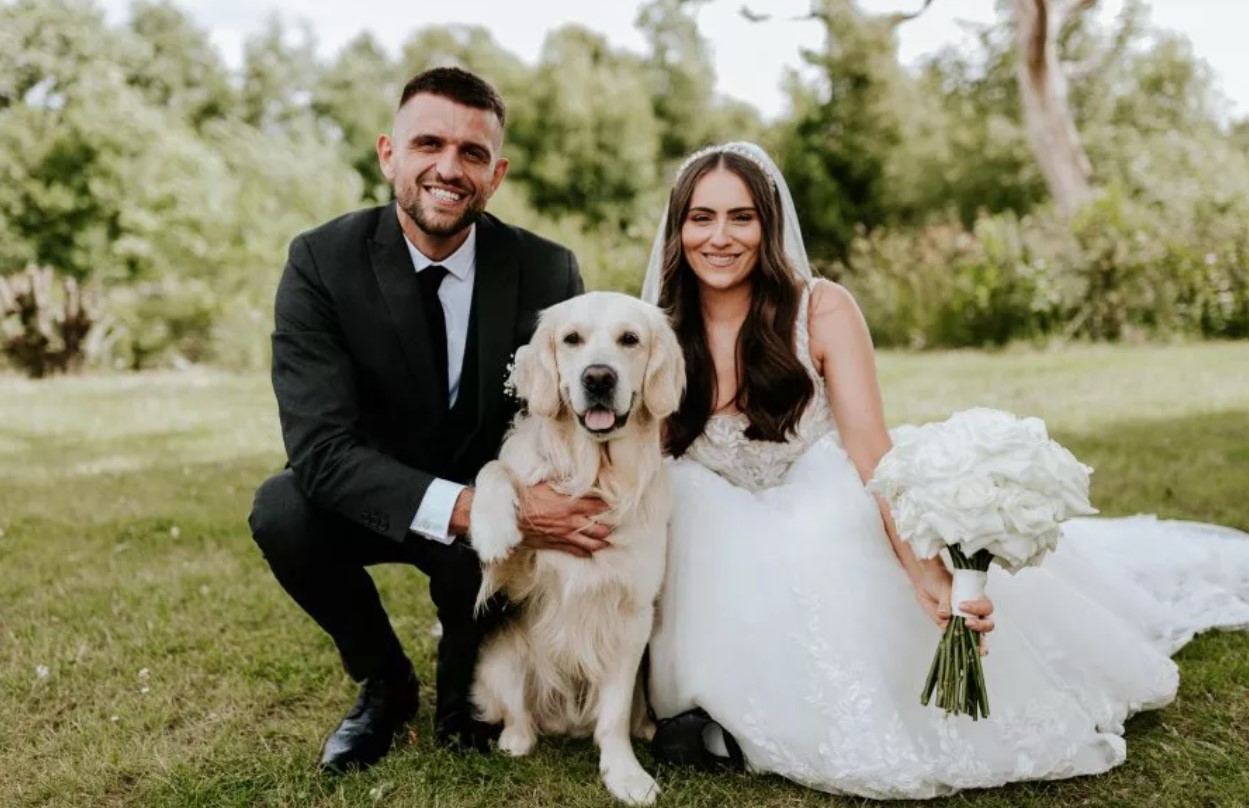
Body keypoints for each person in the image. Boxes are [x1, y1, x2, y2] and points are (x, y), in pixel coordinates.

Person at [642, 142, 1249, 799]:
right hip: (712, 520)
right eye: (701, 218)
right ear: (678, 229)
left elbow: (870, 450)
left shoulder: (821, 309)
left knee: (820, 539)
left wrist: (926, 572)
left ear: (769, 225)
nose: (720, 236)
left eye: (741, 217)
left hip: (821, 496)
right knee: (686, 507)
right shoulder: (650, 327)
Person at [247, 67, 608, 774]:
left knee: (465, 725)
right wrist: (469, 507)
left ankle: (463, 676)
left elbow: (569, 422)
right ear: (389, 153)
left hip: (498, 518)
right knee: (281, 508)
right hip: (378, 499)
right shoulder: (321, 262)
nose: (449, 168)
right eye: (428, 144)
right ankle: (384, 680)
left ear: (495, 173)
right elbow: (319, 450)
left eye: (472, 153)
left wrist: (536, 502)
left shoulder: (547, 272)